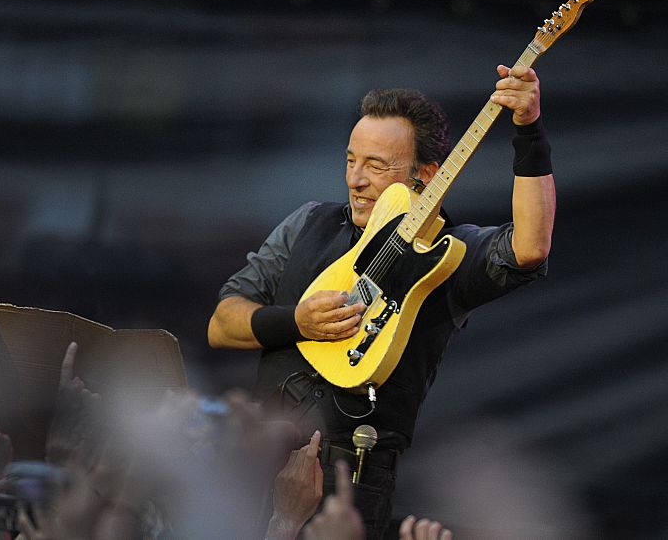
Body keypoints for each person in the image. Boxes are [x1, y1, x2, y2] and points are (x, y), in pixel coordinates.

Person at [207, 63, 555, 539]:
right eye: (351, 160)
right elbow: (223, 323)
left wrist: (528, 131)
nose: (354, 179)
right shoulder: (308, 224)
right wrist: (296, 322)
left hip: (352, 480)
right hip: (254, 462)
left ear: (426, 176)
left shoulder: (448, 256)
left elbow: (529, 247)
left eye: (375, 165)